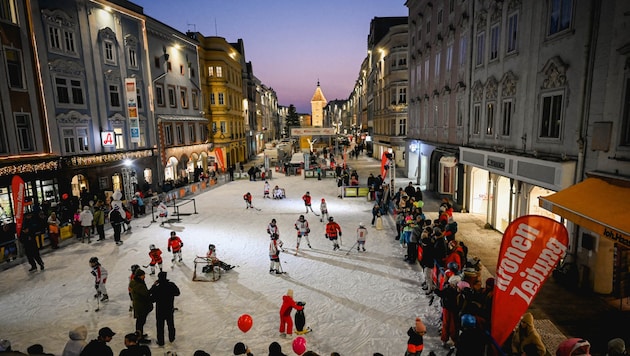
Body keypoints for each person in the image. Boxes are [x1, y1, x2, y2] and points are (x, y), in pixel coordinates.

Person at [149, 271, 181, 346]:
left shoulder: (157, 288)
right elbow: (177, 293)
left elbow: (151, 299)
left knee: (160, 326)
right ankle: (171, 338)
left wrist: (153, 286)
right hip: (169, 308)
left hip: (160, 310)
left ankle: (161, 341)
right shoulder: (171, 285)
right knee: (170, 324)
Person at [129, 269, 153, 344]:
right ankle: (140, 338)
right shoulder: (138, 285)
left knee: (140, 322)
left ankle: (140, 335)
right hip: (141, 306)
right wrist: (153, 287)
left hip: (139, 304)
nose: (144, 277)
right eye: (143, 275)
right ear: (139, 276)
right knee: (140, 322)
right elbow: (146, 294)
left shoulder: (134, 282)